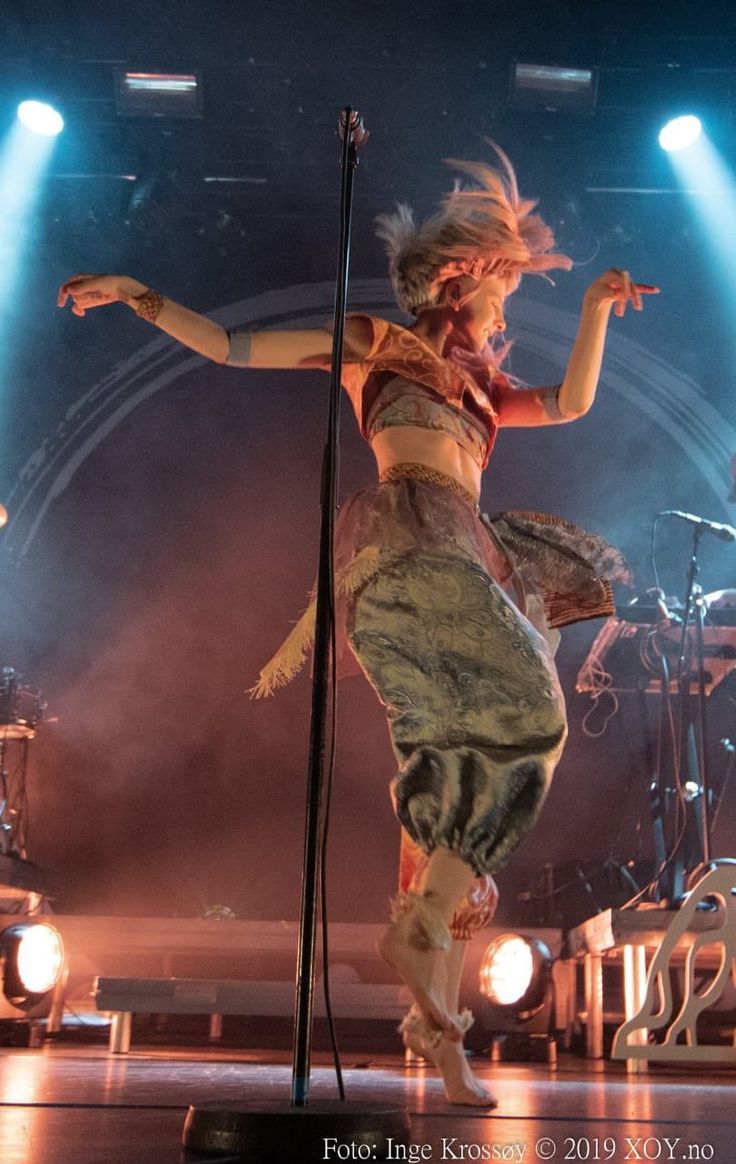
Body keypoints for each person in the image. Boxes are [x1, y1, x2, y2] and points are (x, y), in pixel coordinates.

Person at [58, 146, 657, 1106]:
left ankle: (436, 999)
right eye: (503, 290)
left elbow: (576, 401)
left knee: (457, 759)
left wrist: (591, 311)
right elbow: (227, 345)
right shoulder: (378, 341)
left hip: (461, 559)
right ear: (461, 279)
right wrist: (140, 294)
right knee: (530, 715)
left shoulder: (485, 394)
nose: (508, 315)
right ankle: (426, 926)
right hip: (412, 545)